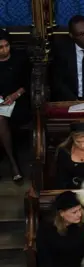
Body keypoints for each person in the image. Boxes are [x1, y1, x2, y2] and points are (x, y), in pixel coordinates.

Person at [0, 29, 31, 181]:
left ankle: (13, 163)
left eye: (7, 46)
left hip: (19, 102)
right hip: (1, 102)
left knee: (0, 119)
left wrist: (14, 95)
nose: (5, 50)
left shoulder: (19, 58)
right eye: (0, 47)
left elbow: (27, 83)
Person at [36, 191, 84, 267]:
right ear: (61, 213)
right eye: (74, 212)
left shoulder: (82, 225)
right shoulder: (46, 230)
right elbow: (45, 261)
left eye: (80, 209)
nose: (79, 214)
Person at [55, 121, 84, 189]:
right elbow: (61, 179)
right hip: (70, 192)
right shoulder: (64, 151)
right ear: (72, 138)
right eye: (78, 141)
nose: (82, 145)